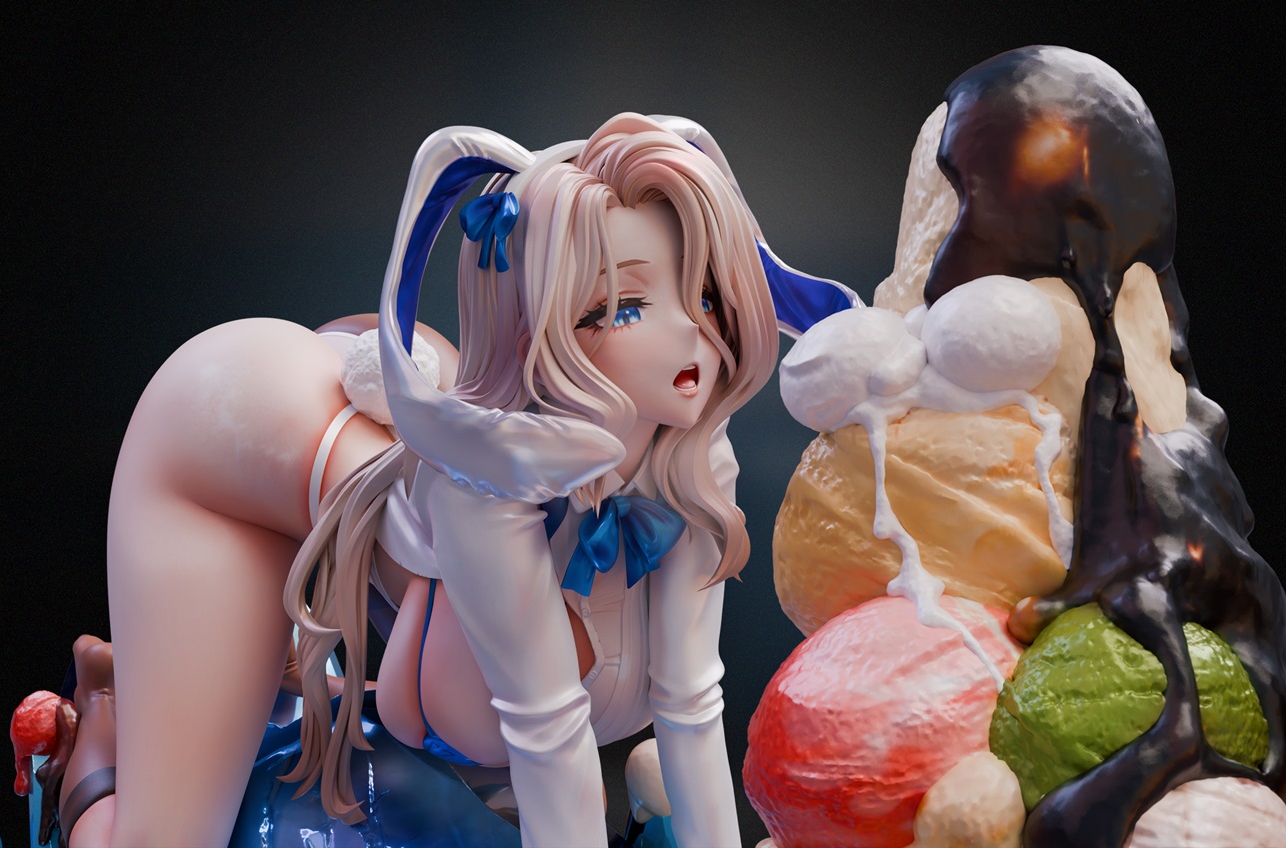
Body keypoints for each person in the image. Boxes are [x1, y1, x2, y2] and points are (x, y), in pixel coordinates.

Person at [56, 112, 852, 847]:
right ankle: (100, 731)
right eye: (625, 306)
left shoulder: (692, 458)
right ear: (549, 327)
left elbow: (690, 703)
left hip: (388, 439)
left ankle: (247, 674)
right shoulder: (490, 493)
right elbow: (549, 736)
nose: (693, 337)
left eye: (703, 292)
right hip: (225, 428)